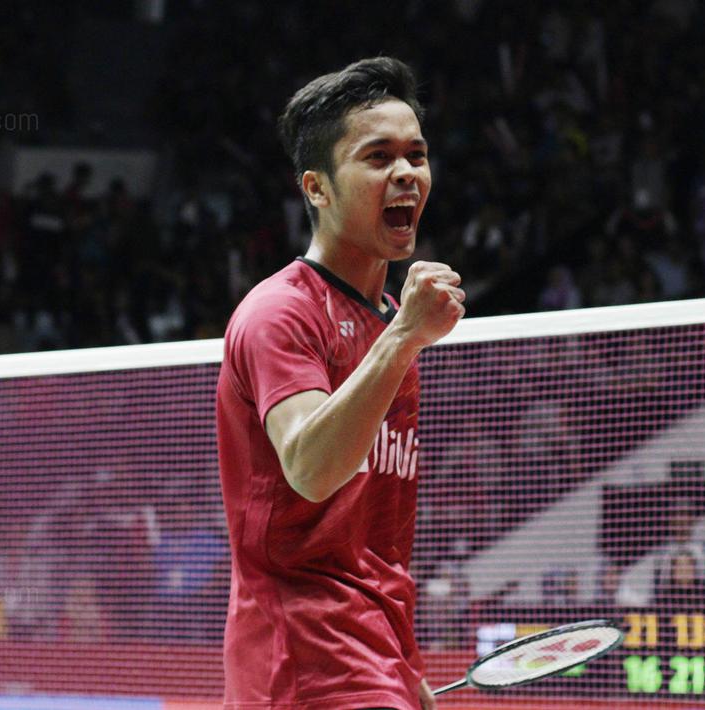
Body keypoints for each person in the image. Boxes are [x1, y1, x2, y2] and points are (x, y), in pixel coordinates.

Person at [215, 57, 463, 710]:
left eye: (416, 154)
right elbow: (311, 468)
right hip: (299, 650)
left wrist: (402, 659)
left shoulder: (385, 324)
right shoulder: (281, 313)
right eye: (377, 157)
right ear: (317, 189)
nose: (406, 173)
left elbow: (372, 538)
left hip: (368, 648)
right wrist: (404, 338)